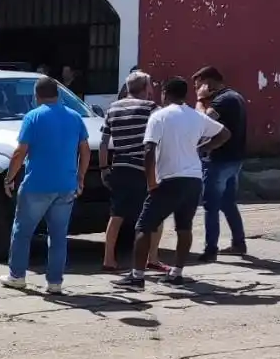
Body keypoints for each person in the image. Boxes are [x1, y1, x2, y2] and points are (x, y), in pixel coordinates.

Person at [115, 77, 231, 289]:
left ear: (165, 93)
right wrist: (203, 148)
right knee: (184, 227)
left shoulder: (159, 116)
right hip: (194, 179)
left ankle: (137, 276)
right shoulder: (196, 116)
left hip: (169, 178)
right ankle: (176, 274)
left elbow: (148, 150)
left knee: (143, 226)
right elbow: (224, 133)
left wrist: (151, 180)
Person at [1, 75, 90, 295]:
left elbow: (20, 152)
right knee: (58, 236)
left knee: (22, 231)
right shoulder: (75, 117)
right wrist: (80, 177)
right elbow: (85, 150)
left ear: (36, 95)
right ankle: (55, 282)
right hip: (66, 185)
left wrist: (9, 178)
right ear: (58, 94)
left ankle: (17, 276)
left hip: (36, 185)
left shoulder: (33, 117)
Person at [100, 71, 162, 272]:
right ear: (145, 87)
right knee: (154, 213)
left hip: (119, 167)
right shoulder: (151, 108)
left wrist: (103, 168)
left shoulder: (112, 108)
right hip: (143, 168)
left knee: (116, 215)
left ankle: (109, 259)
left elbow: (103, 142)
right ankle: (152, 258)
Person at [192, 65, 248, 261]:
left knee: (211, 205)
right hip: (235, 159)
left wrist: (200, 100)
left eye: (198, 86)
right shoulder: (235, 97)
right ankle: (239, 243)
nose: (196, 90)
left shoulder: (222, 100)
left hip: (219, 160)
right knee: (228, 202)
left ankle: (210, 250)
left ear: (208, 83)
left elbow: (202, 122)